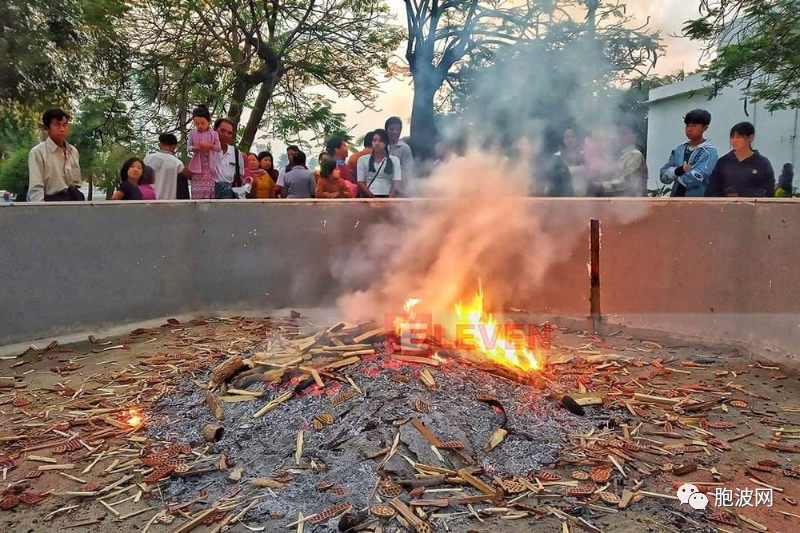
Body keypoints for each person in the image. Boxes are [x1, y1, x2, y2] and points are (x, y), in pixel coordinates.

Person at [28, 108, 84, 202]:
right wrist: (41, 211)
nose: (62, 129)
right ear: (47, 128)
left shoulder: (73, 151)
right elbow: (36, 189)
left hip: (73, 200)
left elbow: (76, 183)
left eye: (65, 125)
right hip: (52, 202)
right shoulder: (38, 152)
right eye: (57, 125)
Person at [706, 122, 775, 197]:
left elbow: (769, 191)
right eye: (732, 137)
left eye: (738, 137)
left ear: (750, 137)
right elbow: (712, 188)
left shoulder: (762, 163)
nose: (734, 141)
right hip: (726, 206)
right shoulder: (723, 162)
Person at [659, 109, 718, 197]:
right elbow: (663, 176)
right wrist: (680, 170)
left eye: (694, 125)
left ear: (705, 128)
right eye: (687, 125)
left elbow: (696, 177)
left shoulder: (709, 152)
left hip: (697, 202)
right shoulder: (679, 150)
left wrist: (673, 174)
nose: (689, 129)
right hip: (676, 199)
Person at [589, 118, 646, 197]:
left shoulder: (635, 155)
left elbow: (627, 183)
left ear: (635, 136)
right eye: (618, 133)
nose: (619, 137)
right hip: (616, 201)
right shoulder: (619, 154)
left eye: (624, 133)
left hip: (629, 203)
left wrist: (601, 185)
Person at [186, 105, 220, 199]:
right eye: (197, 124)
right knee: (197, 190)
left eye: (202, 123)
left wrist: (210, 146)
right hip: (197, 166)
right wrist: (195, 148)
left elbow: (218, 148)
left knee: (209, 190)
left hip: (209, 166)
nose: (199, 126)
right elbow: (188, 147)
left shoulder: (214, 134)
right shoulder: (193, 133)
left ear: (208, 122)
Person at [357, 128, 401, 198]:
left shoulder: (395, 160)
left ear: (386, 143)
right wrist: (373, 198)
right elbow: (360, 182)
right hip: (369, 198)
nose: (377, 143)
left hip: (388, 197)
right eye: (374, 140)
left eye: (381, 141)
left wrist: (389, 200)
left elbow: (396, 182)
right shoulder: (362, 160)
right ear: (371, 142)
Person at [144, 133, 186, 200]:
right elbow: (182, 188)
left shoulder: (148, 158)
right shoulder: (178, 163)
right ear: (174, 146)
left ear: (159, 144)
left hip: (147, 200)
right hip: (169, 203)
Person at [213, 117, 246, 199]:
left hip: (229, 194)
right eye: (222, 131)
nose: (225, 135)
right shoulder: (207, 151)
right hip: (210, 192)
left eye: (229, 133)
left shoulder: (236, 153)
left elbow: (240, 176)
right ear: (214, 130)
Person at [536, 127, 574, 197]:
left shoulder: (583, 156)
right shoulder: (556, 158)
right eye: (566, 137)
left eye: (572, 136)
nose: (570, 139)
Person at [384, 117, 414, 191]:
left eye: (397, 129)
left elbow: (407, 171)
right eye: (391, 129)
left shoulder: (405, 148)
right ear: (386, 130)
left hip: (399, 191)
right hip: (382, 189)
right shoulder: (381, 147)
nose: (395, 132)